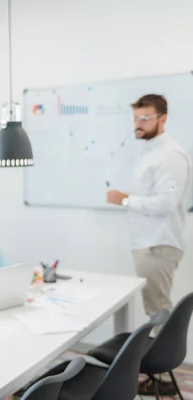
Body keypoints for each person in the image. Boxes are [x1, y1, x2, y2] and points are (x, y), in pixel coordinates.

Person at [106, 94, 191, 394]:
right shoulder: (151, 151)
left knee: (158, 310)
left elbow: (166, 203)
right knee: (155, 308)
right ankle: (161, 374)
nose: (138, 125)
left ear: (162, 119)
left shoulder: (170, 154)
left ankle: (164, 379)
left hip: (159, 244)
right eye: (135, 118)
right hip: (147, 242)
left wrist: (126, 199)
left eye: (145, 118)